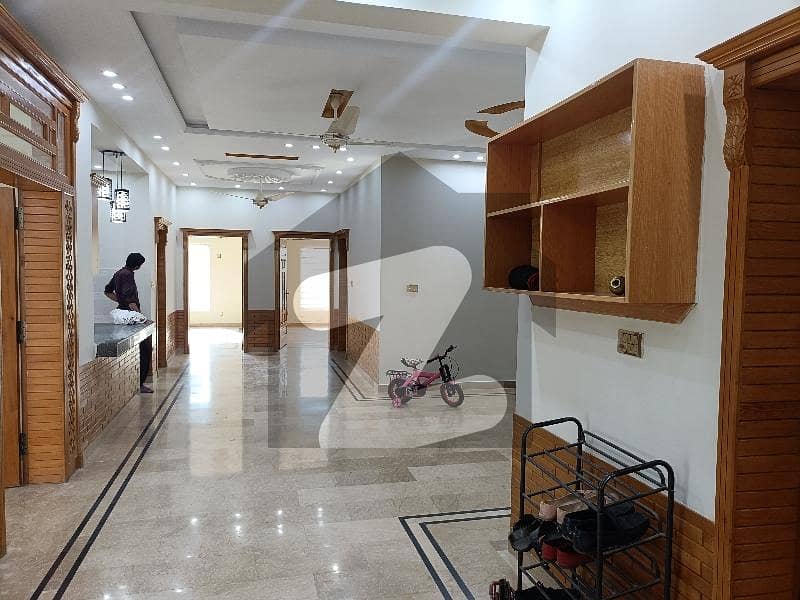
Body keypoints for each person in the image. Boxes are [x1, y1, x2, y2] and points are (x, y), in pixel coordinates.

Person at [104, 252, 154, 394]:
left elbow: (107, 291)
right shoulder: (127, 275)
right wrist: (141, 318)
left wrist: (121, 301)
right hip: (131, 317)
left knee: (142, 349)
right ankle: (140, 384)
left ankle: (137, 382)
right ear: (137, 265)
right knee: (145, 349)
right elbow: (131, 301)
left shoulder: (118, 273)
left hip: (123, 314)